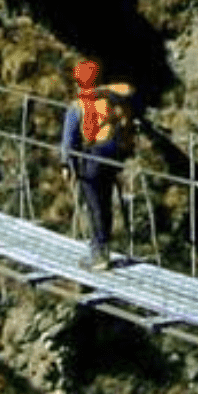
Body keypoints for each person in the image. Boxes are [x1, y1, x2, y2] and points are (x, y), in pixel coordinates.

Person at [60, 57, 136, 270]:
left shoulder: (77, 106)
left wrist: (67, 165)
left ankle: (99, 254)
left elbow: (69, 141)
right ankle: (104, 249)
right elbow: (130, 91)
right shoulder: (111, 98)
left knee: (95, 206)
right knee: (105, 203)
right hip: (113, 158)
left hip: (91, 160)